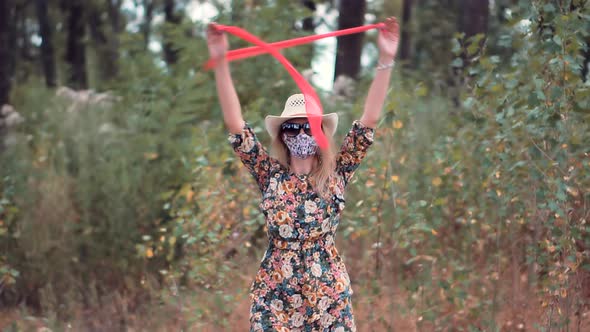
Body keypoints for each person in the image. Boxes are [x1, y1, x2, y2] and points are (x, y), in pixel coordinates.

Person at [207, 16, 399, 332]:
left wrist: (386, 58)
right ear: (282, 134)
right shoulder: (269, 174)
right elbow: (235, 125)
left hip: (328, 299)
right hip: (275, 301)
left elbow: (370, 120)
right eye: (293, 127)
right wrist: (220, 60)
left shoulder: (339, 171)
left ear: (321, 132)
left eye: (308, 126)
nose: (300, 133)